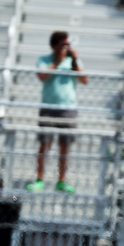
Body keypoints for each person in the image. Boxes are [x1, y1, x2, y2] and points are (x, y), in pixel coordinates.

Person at [31, 30, 86, 192]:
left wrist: (74, 61)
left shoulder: (73, 61)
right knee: (44, 144)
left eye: (68, 45)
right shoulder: (44, 60)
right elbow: (42, 76)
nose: (66, 47)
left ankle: (61, 180)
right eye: (63, 45)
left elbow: (85, 80)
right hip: (49, 107)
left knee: (65, 146)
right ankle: (40, 179)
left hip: (68, 109)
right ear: (54, 45)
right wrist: (58, 62)